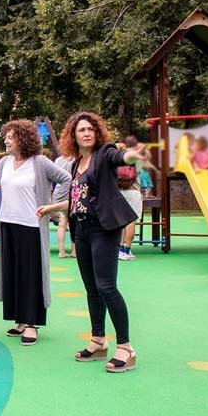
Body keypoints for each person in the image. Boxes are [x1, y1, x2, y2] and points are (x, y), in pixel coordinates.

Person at [0, 119, 71, 346]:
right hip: (7, 223)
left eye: (10, 136)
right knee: (13, 274)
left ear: (23, 139)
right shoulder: (5, 162)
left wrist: (52, 207)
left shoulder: (40, 162)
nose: (6, 140)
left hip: (32, 226)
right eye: (6, 136)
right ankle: (20, 320)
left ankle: (32, 323)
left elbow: (66, 179)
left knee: (31, 274)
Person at [60, 111, 147, 372]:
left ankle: (126, 348)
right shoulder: (77, 164)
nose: (86, 133)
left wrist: (132, 155)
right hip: (82, 230)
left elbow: (120, 157)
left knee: (106, 286)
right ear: (73, 136)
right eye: (81, 130)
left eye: (90, 129)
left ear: (97, 133)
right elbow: (78, 199)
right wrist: (51, 207)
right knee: (91, 288)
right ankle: (98, 340)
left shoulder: (105, 153)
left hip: (103, 229)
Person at [118, 135, 158, 261]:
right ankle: (127, 250)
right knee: (131, 222)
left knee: (120, 223)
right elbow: (144, 168)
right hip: (133, 191)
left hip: (119, 191)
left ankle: (119, 250)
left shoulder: (119, 154)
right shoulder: (136, 157)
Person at [54, 154, 76, 258]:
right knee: (73, 221)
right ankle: (74, 251)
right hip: (72, 189)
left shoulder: (58, 160)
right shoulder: (77, 159)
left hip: (59, 190)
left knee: (62, 222)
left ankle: (61, 251)